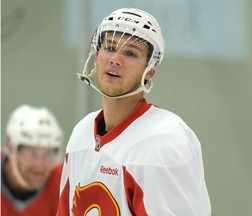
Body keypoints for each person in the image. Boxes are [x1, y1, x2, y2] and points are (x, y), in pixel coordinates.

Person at [58, 8, 211, 215]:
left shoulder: (164, 140)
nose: (115, 60)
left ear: (150, 71)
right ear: (96, 57)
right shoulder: (81, 133)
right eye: (110, 47)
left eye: (130, 53)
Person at [1, 105, 64, 216]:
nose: (40, 165)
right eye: (31, 154)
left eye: (47, 154)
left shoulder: (62, 181)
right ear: (10, 147)